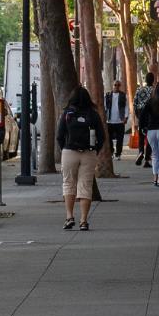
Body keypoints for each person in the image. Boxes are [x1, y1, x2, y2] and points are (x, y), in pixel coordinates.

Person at [57, 87, 104, 231]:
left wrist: (65, 148)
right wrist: (95, 150)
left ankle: (69, 217)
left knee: (68, 183)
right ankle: (83, 221)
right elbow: (101, 136)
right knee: (85, 185)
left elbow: (59, 136)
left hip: (69, 152)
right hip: (88, 153)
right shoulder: (93, 114)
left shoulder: (67, 113)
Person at [133, 73, 156, 167]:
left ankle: (141, 152)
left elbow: (134, 103)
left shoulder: (139, 89)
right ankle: (147, 159)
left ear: (145, 80)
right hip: (150, 115)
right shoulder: (154, 90)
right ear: (153, 80)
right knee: (149, 137)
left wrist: (137, 115)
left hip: (140, 113)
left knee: (141, 136)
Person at [102, 80, 129, 159]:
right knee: (109, 138)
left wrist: (126, 117)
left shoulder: (124, 95)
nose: (116, 86)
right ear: (112, 85)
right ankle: (111, 152)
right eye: (115, 85)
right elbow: (104, 107)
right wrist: (104, 117)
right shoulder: (107, 95)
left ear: (120, 86)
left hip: (120, 121)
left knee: (120, 139)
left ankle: (118, 154)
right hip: (109, 121)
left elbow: (126, 107)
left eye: (118, 85)